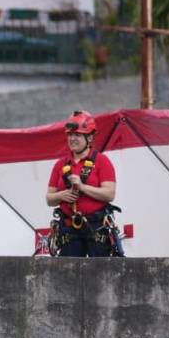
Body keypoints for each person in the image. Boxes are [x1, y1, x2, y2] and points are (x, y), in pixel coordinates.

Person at [46, 110, 118, 257]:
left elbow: (109, 194)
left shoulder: (102, 161)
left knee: (99, 272)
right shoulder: (61, 164)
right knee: (68, 273)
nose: (72, 139)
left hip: (96, 228)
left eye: (77, 135)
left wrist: (83, 187)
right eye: (70, 135)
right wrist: (62, 195)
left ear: (90, 137)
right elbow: (49, 199)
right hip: (68, 229)